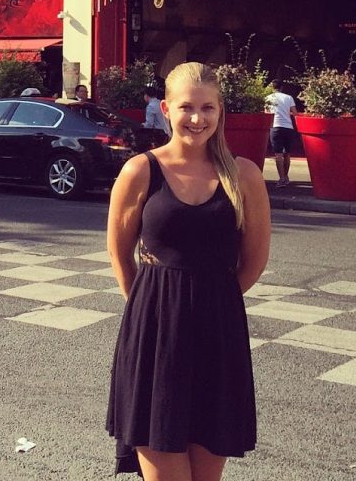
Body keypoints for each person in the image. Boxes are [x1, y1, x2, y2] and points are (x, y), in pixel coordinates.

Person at [106, 62, 271, 480]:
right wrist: (149, 302)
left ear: (220, 112)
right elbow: (119, 251)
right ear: (165, 109)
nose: (197, 119)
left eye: (208, 108)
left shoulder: (244, 174)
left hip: (218, 333)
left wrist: (212, 299)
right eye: (186, 108)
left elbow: (254, 260)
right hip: (155, 331)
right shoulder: (140, 171)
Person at [266, 81, 298, 189]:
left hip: (275, 127)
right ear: (282, 88)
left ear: (272, 87)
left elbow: (267, 113)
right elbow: (295, 113)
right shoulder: (289, 98)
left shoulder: (268, 98)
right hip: (288, 127)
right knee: (287, 153)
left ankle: (281, 178)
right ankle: (286, 176)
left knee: (278, 154)